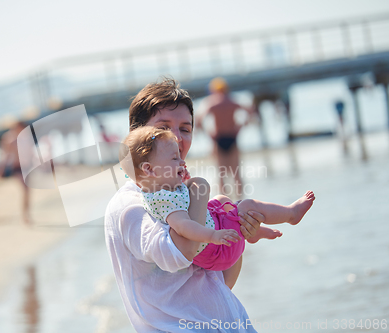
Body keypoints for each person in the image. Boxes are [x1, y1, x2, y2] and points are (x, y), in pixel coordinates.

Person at [105, 78, 265, 332]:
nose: (177, 139)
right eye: (163, 128)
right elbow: (182, 251)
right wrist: (200, 190)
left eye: (186, 129)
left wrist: (236, 235)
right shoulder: (132, 204)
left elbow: (218, 284)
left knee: (235, 191)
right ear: (137, 136)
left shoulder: (177, 190)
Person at [122, 126, 314, 272]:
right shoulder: (164, 200)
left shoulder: (160, 188)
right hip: (215, 249)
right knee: (246, 205)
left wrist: (182, 178)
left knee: (222, 199)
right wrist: (213, 236)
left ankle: (253, 231)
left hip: (212, 231)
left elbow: (186, 201)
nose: (182, 161)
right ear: (149, 169)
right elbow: (183, 226)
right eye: (174, 159)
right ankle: (291, 214)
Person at [196, 77, 254, 199]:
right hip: (232, 137)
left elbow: (199, 120)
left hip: (219, 138)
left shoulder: (212, 103)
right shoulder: (232, 101)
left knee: (221, 174)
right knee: (236, 173)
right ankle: (240, 201)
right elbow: (250, 111)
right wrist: (240, 127)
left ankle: (224, 203)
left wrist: (209, 134)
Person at [0, 121, 31, 225]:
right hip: (17, 167)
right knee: (25, 190)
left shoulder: (24, 137)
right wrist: (1, 169)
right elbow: (5, 156)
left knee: (27, 192)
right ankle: (25, 215)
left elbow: (29, 153)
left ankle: (26, 214)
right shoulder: (10, 140)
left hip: (26, 167)